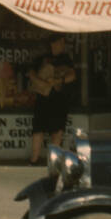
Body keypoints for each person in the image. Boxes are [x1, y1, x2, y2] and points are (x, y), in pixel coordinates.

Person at [28, 36, 76, 164]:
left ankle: (53, 162)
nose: (61, 45)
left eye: (62, 43)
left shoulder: (66, 59)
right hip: (43, 99)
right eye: (59, 43)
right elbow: (31, 73)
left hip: (59, 100)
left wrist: (58, 81)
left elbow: (72, 75)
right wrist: (42, 83)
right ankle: (34, 160)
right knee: (38, 130)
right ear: (53, 44)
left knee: (57, 131)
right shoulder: (41, 58)